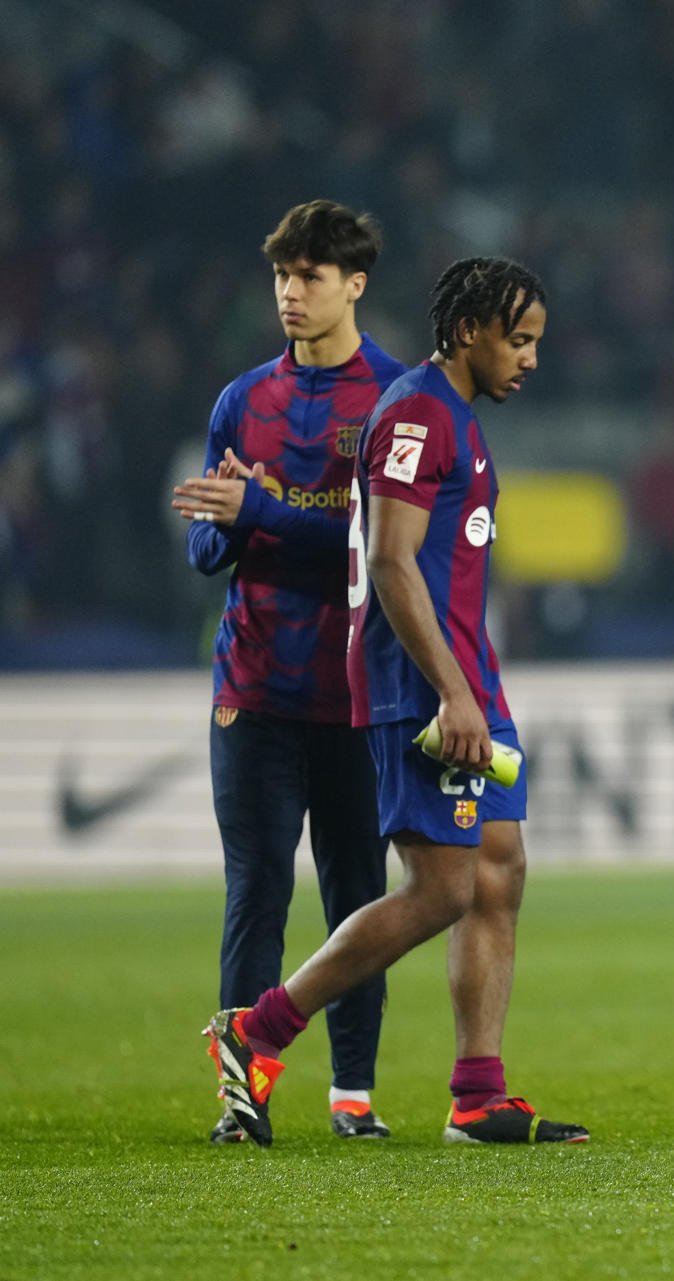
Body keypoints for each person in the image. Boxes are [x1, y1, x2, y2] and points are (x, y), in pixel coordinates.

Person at [203, 257, 588, 1147]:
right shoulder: (416, 412)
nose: (531, 359)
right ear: (467, 332)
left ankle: (477, 1095)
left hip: (465, 679)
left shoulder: (452, 414)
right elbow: (388, 559)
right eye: (519, 340)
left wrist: (473, 683)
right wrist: (451, 692)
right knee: (441, 888)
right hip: (424, 687)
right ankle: (257, 1032)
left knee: (499, 872)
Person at [172, 200, 405, 1143]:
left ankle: (354, 1097)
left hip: (355, 689)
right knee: (256, 887)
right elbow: (203, 547)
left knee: (356, 891)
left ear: (355, 284)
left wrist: (259, 512)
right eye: (282, 277)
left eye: (309, 277)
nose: (290, 294)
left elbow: (372, 547)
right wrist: (226, 524)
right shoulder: (242, 401)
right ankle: (243, 1097)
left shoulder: (393, 399)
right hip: (254, 687)